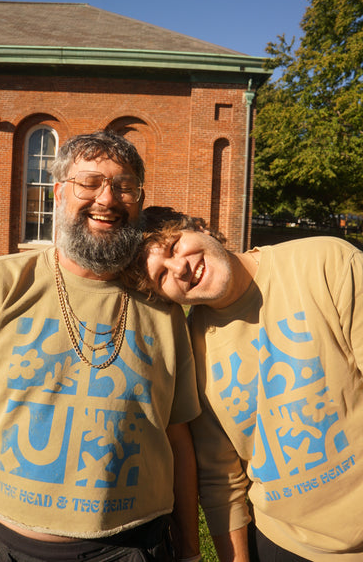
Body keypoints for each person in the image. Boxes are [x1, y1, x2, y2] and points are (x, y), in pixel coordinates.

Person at [0, 134, 201, 562]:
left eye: (125, 186)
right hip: (16, 549)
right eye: (90, 182)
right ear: (58, 192)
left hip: (138, 546)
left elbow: (179, 438)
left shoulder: (163, 308)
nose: (108, 198)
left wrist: (192, 552)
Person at [123, 205, 363, 562]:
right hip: (285, 544)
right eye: (162, 276)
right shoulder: (191, 349)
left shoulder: (325, 262)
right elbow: (222, 481)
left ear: (201, 227)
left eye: (174, 247)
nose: (181, 268)